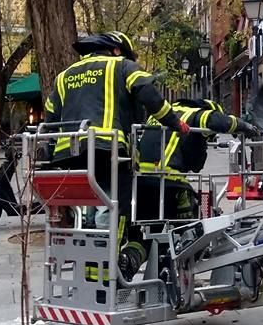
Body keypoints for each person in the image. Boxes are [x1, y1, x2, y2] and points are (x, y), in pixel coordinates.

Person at [43, 31, 189, 280]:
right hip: (108, 150)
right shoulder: (122, 66)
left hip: (68, 153)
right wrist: (176, 122)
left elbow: (50, 116)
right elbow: (147, 92)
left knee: (85, 210)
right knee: (113, 207)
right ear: (117, 50)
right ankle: (103, 274)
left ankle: (86, 269)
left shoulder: (64, 76)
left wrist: (50, 157)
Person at [136, 98, 262, 220]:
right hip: (169, 182)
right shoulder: (195, 113)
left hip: (140, 181)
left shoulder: (158, 116)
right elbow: (219, 121)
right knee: (186, 222)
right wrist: (244, 126)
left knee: (147, 226)